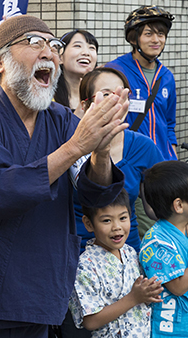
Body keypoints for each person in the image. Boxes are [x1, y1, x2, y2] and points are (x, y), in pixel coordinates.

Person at [0, 15, 127, 338]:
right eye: (34, 43)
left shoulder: (60, 120)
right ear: (0, 62)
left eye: (54, 45)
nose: (49, 53)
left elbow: (96, 197)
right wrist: (76, 147)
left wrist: (100, 151)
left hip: (40, 294)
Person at [72, 67, 165, 252]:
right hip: (77, 253)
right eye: (106, 94)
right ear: (85, 105)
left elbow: (157, 208)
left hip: (127, 255)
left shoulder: (143, 147)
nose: (116, 101)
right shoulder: (69, 146)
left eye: (122, 94)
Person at [69, 189, 161, 337]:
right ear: (88, 223)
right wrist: (133, 298)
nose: (117, 226)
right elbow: (90, 321)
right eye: (107, 220)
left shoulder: (130, 253)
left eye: (123, 218)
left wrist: (150, 292)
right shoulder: (85, 266)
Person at [105, 6, 176, 160]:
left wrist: (173, 157)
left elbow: (169, 124)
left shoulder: (167, 76)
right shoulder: (115, 70)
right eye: (148, 34)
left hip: (162, 162)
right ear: (133, 38)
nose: (156, 40)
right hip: (129, 161)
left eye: (161, 34)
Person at [139, 160, 188, 337]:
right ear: (179, 206)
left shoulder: (182, 228)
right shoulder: (157, 242)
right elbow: (178, 287)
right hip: (172, 329)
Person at [54, 29, 98, 113]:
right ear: (60, 57)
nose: (86, 53)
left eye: (92, 48)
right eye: (77, 46)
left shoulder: (99, 95)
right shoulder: (47, 98)